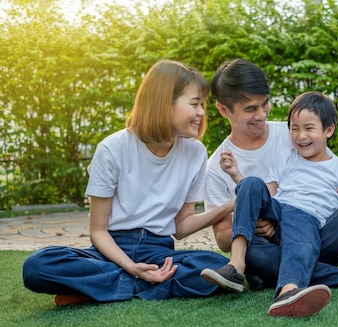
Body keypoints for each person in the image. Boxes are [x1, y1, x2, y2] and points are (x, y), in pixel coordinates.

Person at [22, 59, 234, 306]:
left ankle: (97, 289)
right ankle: (139, 284)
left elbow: (181, 226)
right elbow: (98, 231)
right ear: (164, 103)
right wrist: (131, 267)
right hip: (111, 250)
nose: (201, 113)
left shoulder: (195, 152)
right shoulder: (112, 149)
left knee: (218, 266)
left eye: (202, 105)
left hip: (159, 251)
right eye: (195, 104)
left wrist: (230, 205)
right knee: (37, 265)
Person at [204, 58, 338, 298]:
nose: (261, 114)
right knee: (255, 249)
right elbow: (222, 237)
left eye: (265, 103)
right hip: (266, 242)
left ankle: (276, 274)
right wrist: (256, 225)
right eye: (251, 108)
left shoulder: (293, 132)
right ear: (223, 109)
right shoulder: (216, 167)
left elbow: (328, 166)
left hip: (312, 230)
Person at [202, 92, 338, 317]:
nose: (300, 135)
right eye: (294, 128)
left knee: (296, 229)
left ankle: (288, 290)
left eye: (309, 128)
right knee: (252, 184)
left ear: (329, 130)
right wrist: (237, 176)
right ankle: (235, 266)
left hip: (307, 217)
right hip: (279, 210)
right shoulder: (285, 156)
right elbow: (268, 195)